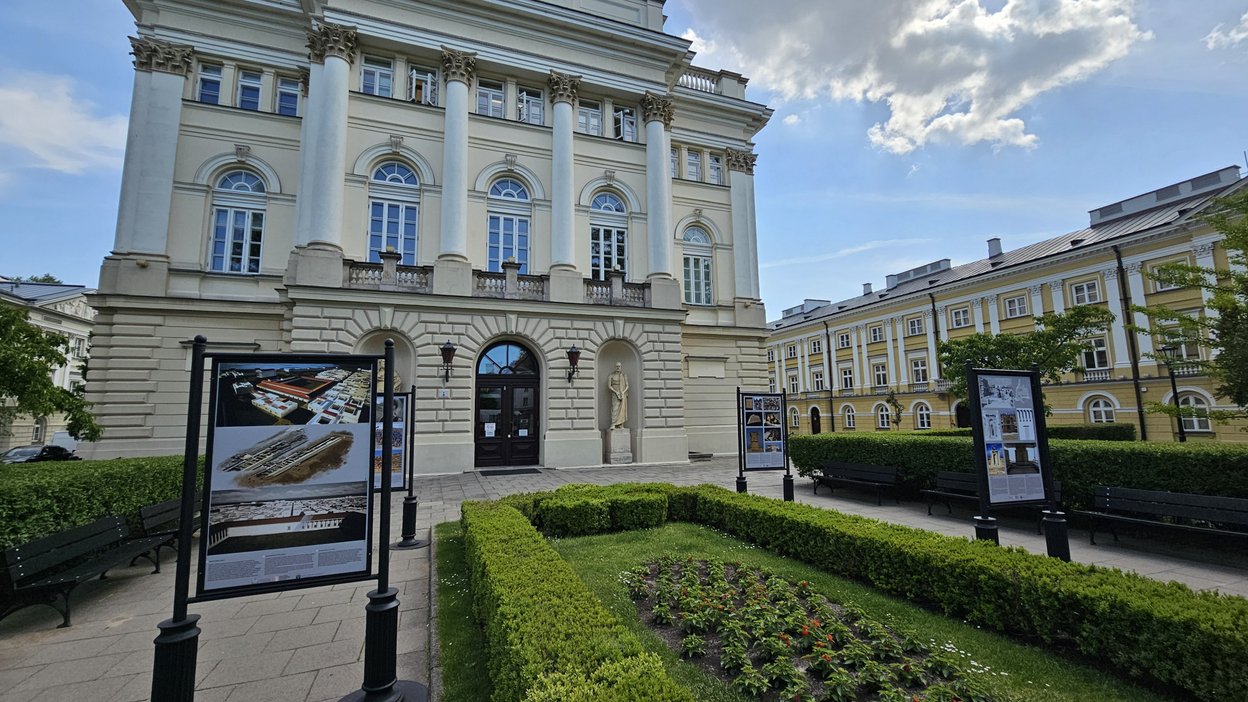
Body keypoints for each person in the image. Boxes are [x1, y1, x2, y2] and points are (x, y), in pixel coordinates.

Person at [608, 362, 629, 429]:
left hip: (622, 393)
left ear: (621, 367)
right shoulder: (611, 375)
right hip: (615, 393)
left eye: (619, 366)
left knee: (622, 409)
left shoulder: (623, 375)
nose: (618, 368)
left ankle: (621, 424)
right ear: (615, 367)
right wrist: (616, 392)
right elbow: (609, 386)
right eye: (617, 366)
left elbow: (627, 385)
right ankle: (613, 423)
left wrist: (623, 392)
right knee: (615, 408)